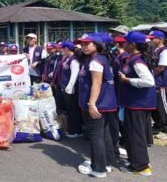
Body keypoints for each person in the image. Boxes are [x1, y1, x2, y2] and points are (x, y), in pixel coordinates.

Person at [76, 34, 117, 178]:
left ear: (97, 45)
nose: (84, 46)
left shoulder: (95, 61)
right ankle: (105, 163)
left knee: (96, 136)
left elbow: (97, 83)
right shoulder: (99, 58)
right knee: (103, 134)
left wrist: (92, 104)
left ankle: (98, 169)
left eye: (88, 43)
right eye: (82, 44)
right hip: (103, 103)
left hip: (97, 103)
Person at [118, 31, 156, 176]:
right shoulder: (133, 58)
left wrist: (128, 80)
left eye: (125, 42)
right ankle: (137, 160)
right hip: (134, 102)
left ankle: (141, 166)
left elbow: (148, 81)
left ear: (132, 45)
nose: (123, 44)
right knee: (132, 133)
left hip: (138, 103)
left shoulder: (138, 61)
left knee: (135, 134)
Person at [60, 41, 82, 138]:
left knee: (74, 111)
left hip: (71, 90)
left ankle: (76, 131)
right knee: (70, 110)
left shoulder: (74, 60)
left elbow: (74, 75)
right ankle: (72, 129)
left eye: (63, 48)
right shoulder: (68, 59)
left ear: (67, 49)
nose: (62, 50)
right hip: (66, 88)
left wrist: (70, 87)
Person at [148, 30, 167, 139]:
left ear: (160, 39)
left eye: (152, 38)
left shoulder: (164, 51)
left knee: (162, 105)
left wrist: (150, 74)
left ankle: (165, 126)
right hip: (154, 82)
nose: (151, 40)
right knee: (155, 105)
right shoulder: (154, 50)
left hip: (161, 82)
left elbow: (161, 67)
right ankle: (158, 124)